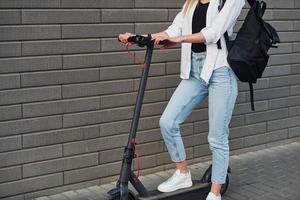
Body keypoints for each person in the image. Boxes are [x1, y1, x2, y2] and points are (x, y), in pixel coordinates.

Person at [119, 0, 245, 199]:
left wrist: (180, 40)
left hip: (220, 72)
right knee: (168, 122)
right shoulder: (191, 2)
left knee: (217, 137)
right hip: (195, 72)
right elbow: (174, 29)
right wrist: (140, 38)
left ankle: (215, 193)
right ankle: (182, 173)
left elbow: (213, 33)